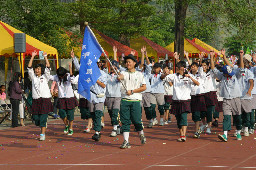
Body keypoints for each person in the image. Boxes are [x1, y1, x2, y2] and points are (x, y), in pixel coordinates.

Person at [210, 49, 243, 141]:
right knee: (226, 116)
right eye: (228, 74)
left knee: (237, 116)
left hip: (236, 98)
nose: (230, 75)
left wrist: (239, 56)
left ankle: (238, 131)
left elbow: (241, 68)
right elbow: (213, 69)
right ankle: (225, 135)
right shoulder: (221, 76)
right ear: (224, 73)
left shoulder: (235, 74)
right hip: (226, 99)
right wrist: (212, 57)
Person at [169, 53, 200, 142]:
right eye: (178, 68)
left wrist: (190, 77)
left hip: (185, 101)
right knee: (178, 119)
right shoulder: (174, 76)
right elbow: (166, 78)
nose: (180, 69)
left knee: (183, 117)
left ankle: (183, 135)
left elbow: (197, 83)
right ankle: (181, 134)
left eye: (181, 67)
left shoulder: (189, 76)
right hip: (176, 100)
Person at [118, 54, 147, 149]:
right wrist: (119, 77)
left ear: (134, 63)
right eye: (126, 62)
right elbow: (120, 77)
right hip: (125, 100)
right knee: (125, 121)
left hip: (135, 100)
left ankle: (141, 134)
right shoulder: (124, 73)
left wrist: (133, 91)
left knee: (136, 120)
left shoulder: (139, 74)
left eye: (129, 62)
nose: (128, 63)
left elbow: (144, 87)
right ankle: (126, 141)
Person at [28, 51, 53, 141]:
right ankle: (42, 125)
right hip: (36, 100)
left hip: (45, 100)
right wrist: (33, 56)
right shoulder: (33, 77)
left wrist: (46, 57)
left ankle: (42, 134)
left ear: (41, 70)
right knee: (36, 118)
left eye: (38, 69)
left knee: (43, 117)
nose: (37, 70)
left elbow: (48, 67)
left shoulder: (45, 77)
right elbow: (29, 67)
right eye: (36, 69)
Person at [185, 51, 206, 138]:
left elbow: (197, 83)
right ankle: (198, 130)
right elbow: (189, 67)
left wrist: (200, 59)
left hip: (200, 96)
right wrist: (186, 56)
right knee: (195, 114)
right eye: (192, 67)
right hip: (193, 96)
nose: (193, 68)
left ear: (197, 67)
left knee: (201, 114)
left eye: (194, 66)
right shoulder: (190, 74)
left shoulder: (200, 74)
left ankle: (201, 127)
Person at [53, 64, 78, 136]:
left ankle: (70, 128)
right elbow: (49, 76)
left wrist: (70, 69)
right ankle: (66, 125)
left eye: (61, 76)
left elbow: (72, 80)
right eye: (59, 76)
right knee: (61, 113)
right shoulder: (57, 77)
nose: (60, 77)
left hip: (69, 98)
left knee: (70, 114)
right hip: (61, 98)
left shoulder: (68, 76)